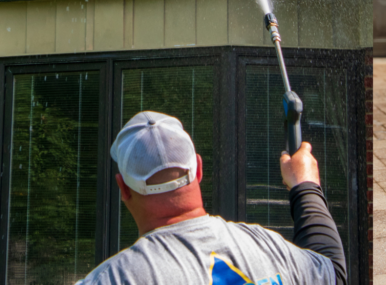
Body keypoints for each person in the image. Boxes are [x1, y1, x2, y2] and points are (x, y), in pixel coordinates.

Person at [76, 111, 347, 285]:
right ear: (199, 168)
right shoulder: (267, 245)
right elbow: (332, 272)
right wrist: (306, 186)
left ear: (123, 189)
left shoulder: (114, 278)